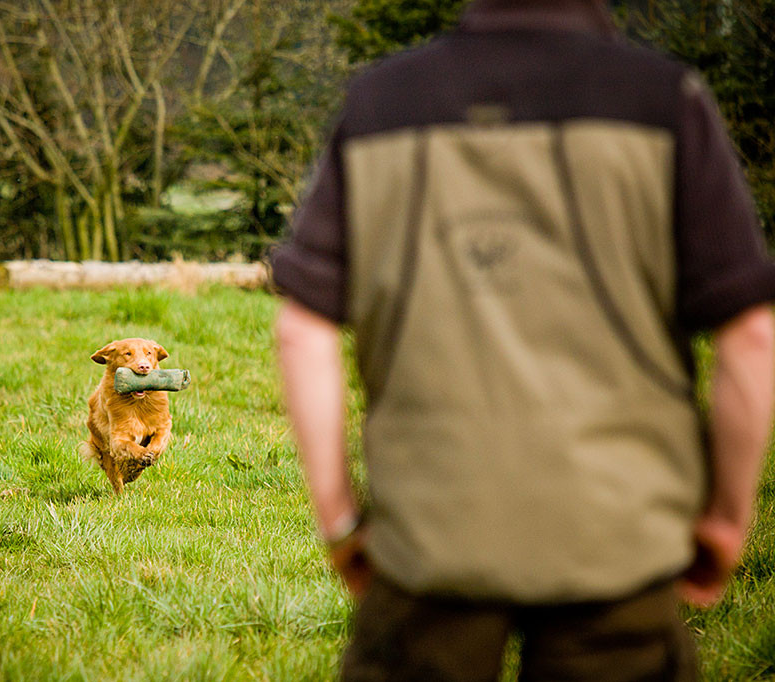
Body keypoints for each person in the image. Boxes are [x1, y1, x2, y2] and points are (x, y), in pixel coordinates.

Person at [272, 0, 775, 679]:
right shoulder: (662, 100)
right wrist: (724, 516)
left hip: (427, 538)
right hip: (618, 539)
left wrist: (339, 520)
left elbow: (303, 328)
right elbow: (750, 336)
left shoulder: (382, 102)